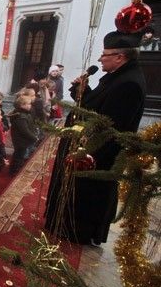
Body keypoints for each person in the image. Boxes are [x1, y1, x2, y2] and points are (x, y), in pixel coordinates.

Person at [45, 29, 146, 245]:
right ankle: (63, 224)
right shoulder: (116, 77)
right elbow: (96, 107)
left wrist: (84, 150)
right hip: (83, 145)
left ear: (120, 56)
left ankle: (76, 230)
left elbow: (109, 126)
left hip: (95, 154)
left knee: (85, 196)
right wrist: (81, 91)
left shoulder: (129, 84)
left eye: (104, 54)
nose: (100, 59)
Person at [8, 95, 38, 175]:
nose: (30, 106)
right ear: (22, 105)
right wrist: (34, 137)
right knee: (19, 156)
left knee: (19, 154)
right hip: (20, 140)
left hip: (22, 140)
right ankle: (14, 170)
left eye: (30, 104)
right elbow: (24, 130)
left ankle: (15, 168)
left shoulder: (24, 114)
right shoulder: (21, 117)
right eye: (28, 104)